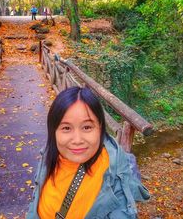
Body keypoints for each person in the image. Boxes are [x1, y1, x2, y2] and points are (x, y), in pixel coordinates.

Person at [27, 87, 150, 219]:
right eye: (66, 128)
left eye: (87, 127)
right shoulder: (48, 155)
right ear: (54, 131)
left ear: (100, 128)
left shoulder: (114, 179)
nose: (77, 140)